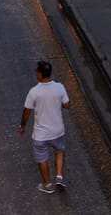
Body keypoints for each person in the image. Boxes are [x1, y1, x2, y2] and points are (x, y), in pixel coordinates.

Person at [18, 60, 71, 194]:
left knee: (42, 158)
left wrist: (22, 126)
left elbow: (27, 111)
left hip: (41, 134)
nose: (35, 73)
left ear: (40, 74)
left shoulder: (34, 92)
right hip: (58, 131)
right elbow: (67, 105)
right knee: (59, 151)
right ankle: (59, 176)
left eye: (37, 71)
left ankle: (47, 185)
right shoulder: (60, 87)